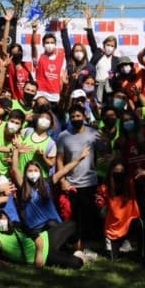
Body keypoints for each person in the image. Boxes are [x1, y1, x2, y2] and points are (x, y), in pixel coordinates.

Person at [0, 209, 93, 269]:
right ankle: (77, 254)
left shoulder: (17, 225)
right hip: (45, 255)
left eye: (2, 217)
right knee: (77, 263)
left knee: (72, 225)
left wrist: (38, 256)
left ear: (7, 217)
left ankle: (76, 249)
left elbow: (37, 237)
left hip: (45, 240)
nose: (0, 221)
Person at [56, 105, 100, 251]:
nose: (75, 119)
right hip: (71, 183)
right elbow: (59, 159)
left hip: (90, 182)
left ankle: (89, 244)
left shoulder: (94, 133)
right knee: (73, 217)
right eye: (73, 117)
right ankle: (75, 245)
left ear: (85, 116)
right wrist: (62, 180)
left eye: (78, 116)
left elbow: (104, 152)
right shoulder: (63, 136)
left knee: (89, 215)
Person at [96, 159, 145, 260]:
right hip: (113, 229)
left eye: (121, 171)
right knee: (112, 258)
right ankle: (119, 244)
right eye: (116, 171)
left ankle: (141, 253)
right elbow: (100, 209)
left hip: (130, 222)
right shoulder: (104, 188)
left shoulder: (131, 184)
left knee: (140, 224)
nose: (119, 174)